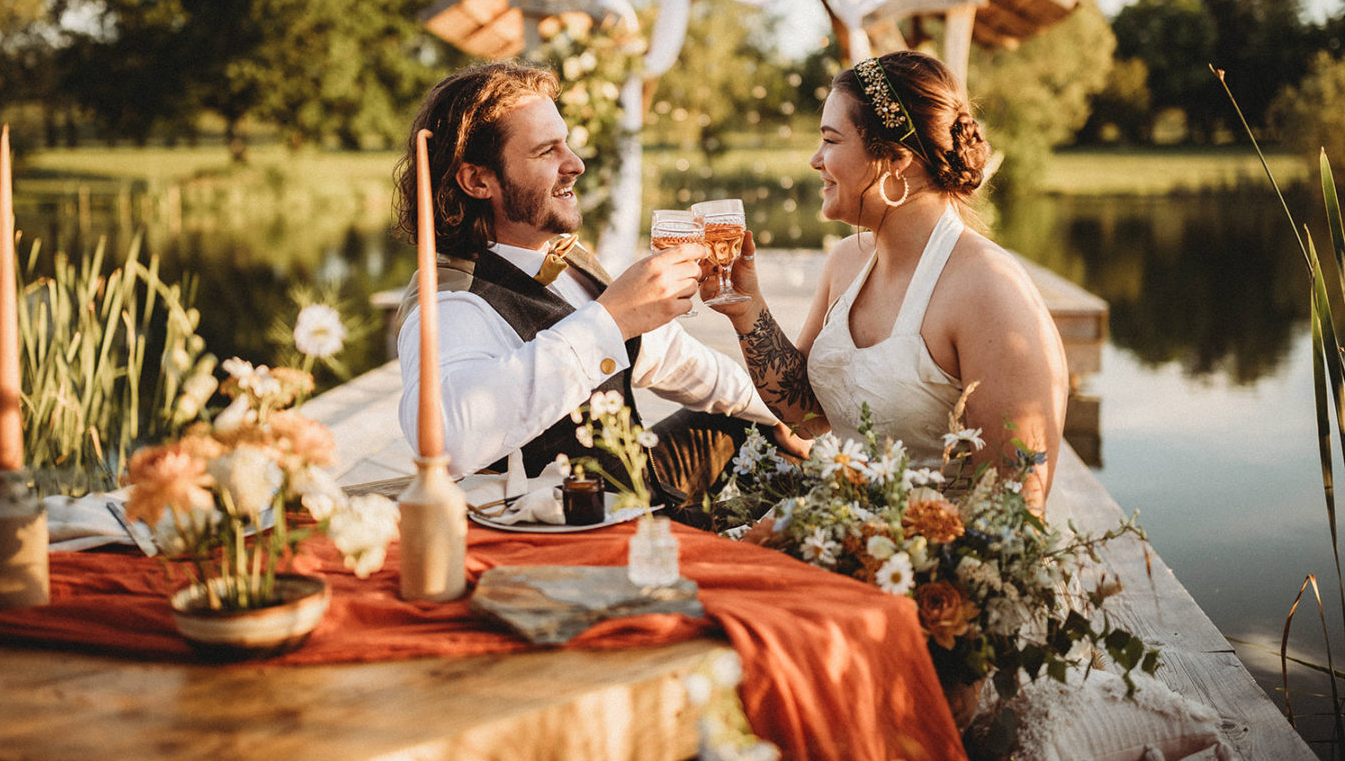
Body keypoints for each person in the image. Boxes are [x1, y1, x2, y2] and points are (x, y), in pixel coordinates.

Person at [393, 60, 794, 512]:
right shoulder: (452, 302)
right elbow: (446, 442)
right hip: (573, 536)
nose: (576, 164)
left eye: (567, 144)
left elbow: (682, 364)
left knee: (752, 424)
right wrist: (612, 318)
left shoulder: (571, 263)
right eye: (547, 152)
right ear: (478, 180)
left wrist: (784, 417)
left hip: (635, 486)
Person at [705, 51, 1067, 511]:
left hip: (929, 566)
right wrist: (745, 305)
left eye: (831, 141)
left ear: (896, 160)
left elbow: (1015, 508)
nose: (815, 160)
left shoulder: (988, 291)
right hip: (833, 531)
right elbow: (808, 417)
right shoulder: (846, 262)